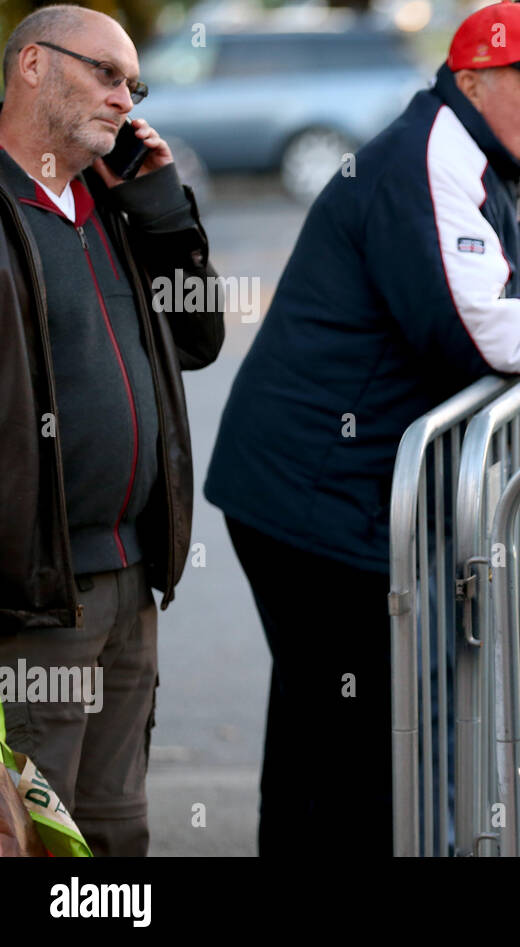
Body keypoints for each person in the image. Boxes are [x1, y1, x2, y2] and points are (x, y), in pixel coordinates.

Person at [203, 1, 520, 855]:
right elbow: (479, 338)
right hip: (311, 494)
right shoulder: (431, 155)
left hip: (359, 490)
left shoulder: (513, 161)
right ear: (470, 82)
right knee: (357, 727)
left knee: (328, 718)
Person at [0, 5, 224, 855]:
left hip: (130, 579)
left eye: (134, 83)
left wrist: (163, 207)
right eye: (105, 73)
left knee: (116, 828)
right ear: (30, 66)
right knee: (32, 835)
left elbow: (198, 339)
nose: (124, 98)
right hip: (34, 593)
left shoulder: (113, 198)